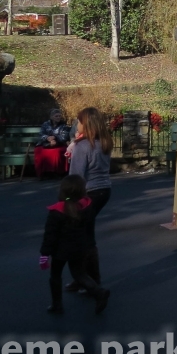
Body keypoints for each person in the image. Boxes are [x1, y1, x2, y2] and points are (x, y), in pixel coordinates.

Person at [39, 174, 110, 314]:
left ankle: (57, 305)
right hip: (80, 248)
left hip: (60, 251)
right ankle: (99, 293)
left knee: (55, 275)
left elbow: (50, 235)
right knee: (79, 274)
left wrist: (44, 254)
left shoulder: (56, 211)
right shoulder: (87, 207)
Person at [66, 107, 113, 291]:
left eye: (78, 121)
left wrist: (68, 199)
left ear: (85, 124)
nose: (77, 124)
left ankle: (90, 281)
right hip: (104, 190)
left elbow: (75, 176)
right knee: (85, 233)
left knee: (82, 237)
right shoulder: (104, 142)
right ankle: (86, 279)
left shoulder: (82, 145)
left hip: (88, 192)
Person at [34, 109, 71, 178]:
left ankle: (58, 173)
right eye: (56, 116)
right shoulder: (45, 124)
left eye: (59, 116)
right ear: (51, 117)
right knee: (38, 151)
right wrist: (47, 138)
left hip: (58, 144)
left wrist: (54, 138)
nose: (58, 117)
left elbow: (64, 137)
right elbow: (41, 134)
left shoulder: (63, 125)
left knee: (58, 152)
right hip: (46, 143)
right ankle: (43, 173)